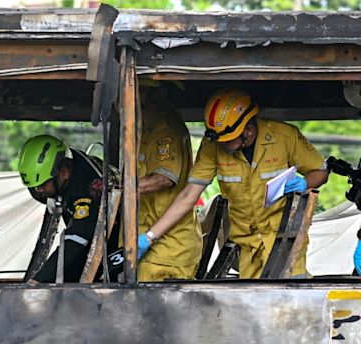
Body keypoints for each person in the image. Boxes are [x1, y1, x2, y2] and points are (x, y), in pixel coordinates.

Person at [138, 88, 329, 279]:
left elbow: (321, 172)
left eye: (227, 140)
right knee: (253, 303)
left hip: (285, 240)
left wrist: (305, 183)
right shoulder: (211, 147)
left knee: (291, 300)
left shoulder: (285, 137)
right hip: (247, 243)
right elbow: (188, 196)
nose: (221, 145)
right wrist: (149, 237)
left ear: (247, 130)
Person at [18, 134, 118, 283]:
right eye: (34, 187)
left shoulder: (87, 192)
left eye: (42, 185)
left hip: (117, 242)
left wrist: (38, 281)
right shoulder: (64, 165)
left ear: (63, 173)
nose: (38, 190)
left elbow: (74, 242)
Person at [136, 83, 202, 282]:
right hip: (152, 243)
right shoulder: (147, 127)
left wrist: (121, 189)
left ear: (155, 95)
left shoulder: (166, 128)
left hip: (168, 251)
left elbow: (164, 178)